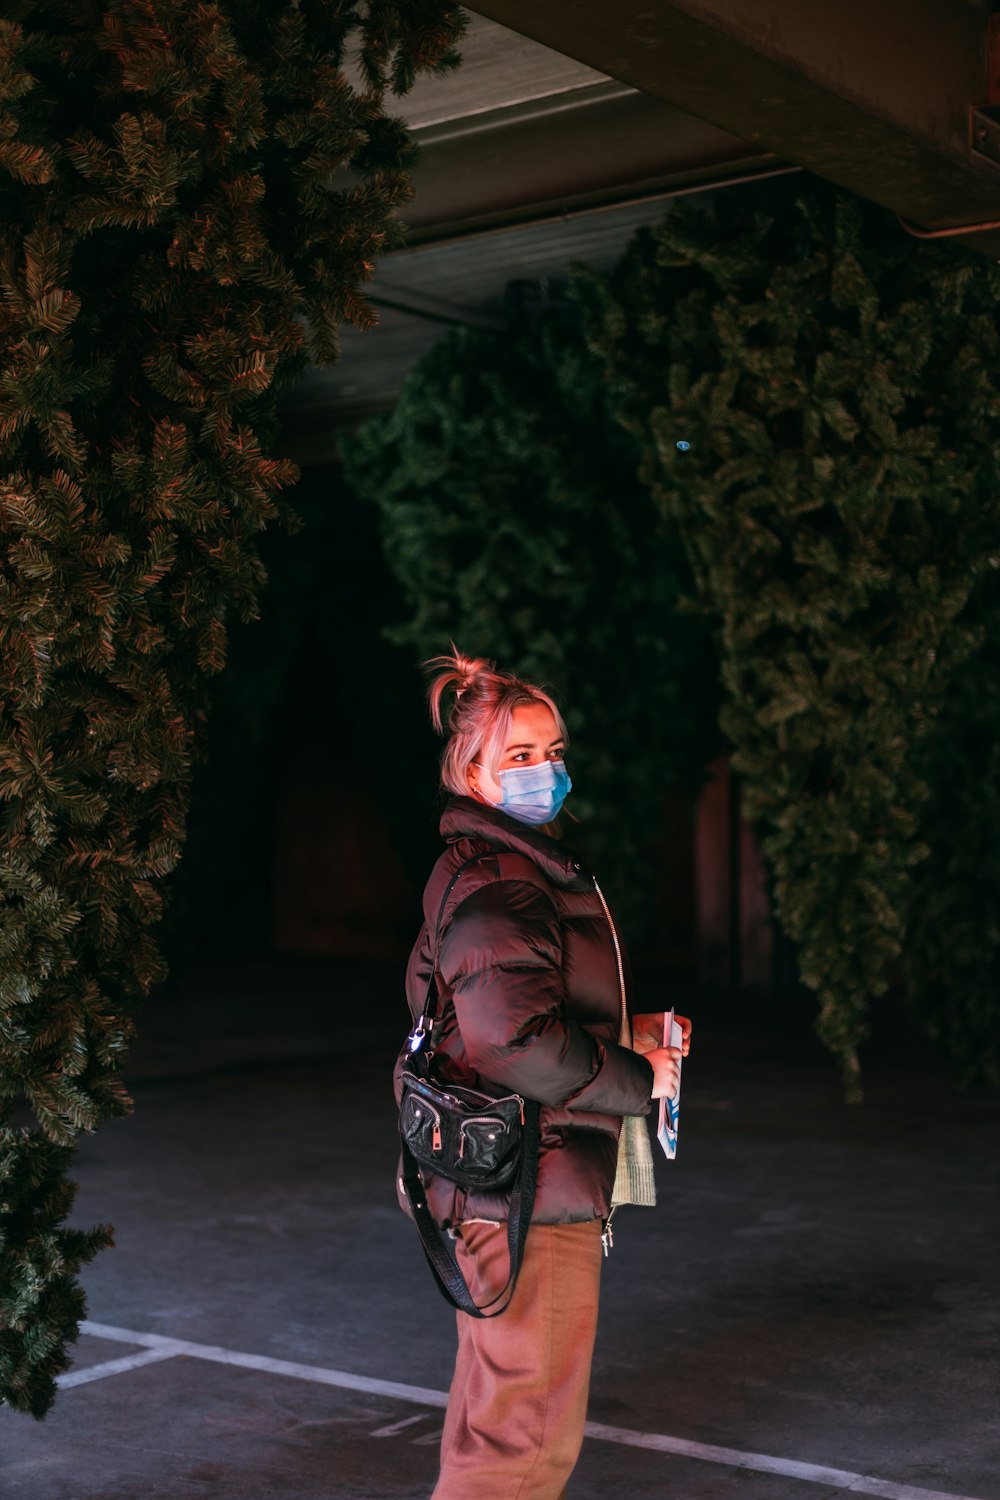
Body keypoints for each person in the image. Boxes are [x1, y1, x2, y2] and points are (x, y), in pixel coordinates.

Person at [395, 649, 691, 1500]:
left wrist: (631, 1034)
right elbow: (515, 1044)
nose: (545, 772)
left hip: (498, 1184)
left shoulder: (491, 866)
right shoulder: (508, 884)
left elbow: (489, 1015)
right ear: (472, 773)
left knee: (495, 1429)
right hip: (530, 1186)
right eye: (519, 757)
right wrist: (640, 1082)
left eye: (553, 752)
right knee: (520, 1450)